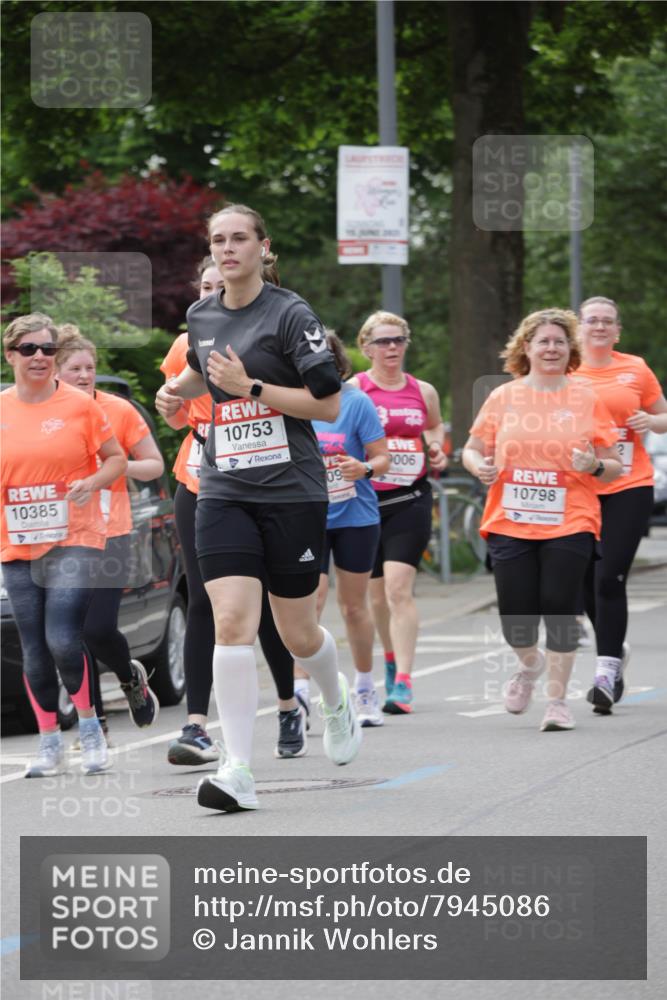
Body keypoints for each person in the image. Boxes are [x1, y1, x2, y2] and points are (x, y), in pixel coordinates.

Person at [155, 204, 361, 812]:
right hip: (224, 487)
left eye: (239, 238)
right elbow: (203, 371)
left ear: (263, 248)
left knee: (297, 633)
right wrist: (176, 392)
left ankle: (334, 696)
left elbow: (327, 405)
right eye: (218, 239)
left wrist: (251, 388)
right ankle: (237, 768)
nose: (227, 249)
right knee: (232, 622)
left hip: (292, 489)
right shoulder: (201, 315)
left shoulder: (291, 314)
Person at [159, 257, 304, 764]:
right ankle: (196, 726)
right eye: (204, 286)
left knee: (264, 602)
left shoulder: (273, 333)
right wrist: (169, 403)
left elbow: (307, 401)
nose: (211, 294)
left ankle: (287, 704)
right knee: (204, 599)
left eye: (220, 285)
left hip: (263, 479)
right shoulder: (186, 343)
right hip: (200, 478)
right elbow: (178, 413)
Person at [462, 308, 623, 732]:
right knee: (515, 618)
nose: (551, 348)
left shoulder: (586, 398)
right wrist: (479, 466)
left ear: (570, 349)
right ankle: (530, 664)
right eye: (543, 341)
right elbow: (472, 448)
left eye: (559, 341)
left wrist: (594, 464)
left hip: (571, 518)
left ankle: (557, 702)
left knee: (561, 607)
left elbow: (614, 466)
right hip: (510, 519)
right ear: (526, 348)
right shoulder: (504, 396)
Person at [1, 313, 126, 775]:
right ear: (10, 355)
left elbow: (116, 460)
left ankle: (91, 730)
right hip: (18, 543)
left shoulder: (80, 406)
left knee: (62, 638)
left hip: (75, 537)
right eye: (29, 349)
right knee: (34, 647)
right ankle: (49, 742)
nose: (39, 357)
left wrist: (91, 482)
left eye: (48, 349)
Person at [55, 326, 163, 735]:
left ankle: (130, 678)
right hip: (60, 536)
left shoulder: (118, 410)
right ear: (55, 372)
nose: (85, 375)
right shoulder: (43, 416)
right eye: (75, 368)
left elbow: (154, 464)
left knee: (97, 628)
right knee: (73, 634)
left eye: (90, 367)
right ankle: (94, 727)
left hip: (111, 531)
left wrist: (113, 467)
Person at [349, 311, 448, 715]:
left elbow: (435, 427)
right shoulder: (356, 388)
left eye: (398, 340)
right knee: (376, 597)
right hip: (366, 501)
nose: (392, 348)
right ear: (366, 347)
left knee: (397, 589)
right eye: (383, 341)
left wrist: (436, 447)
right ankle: (389, 661)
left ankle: (404, 680)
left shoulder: (423, 391)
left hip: (410, 499)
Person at [576, 296, 667, 713]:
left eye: (607, 321)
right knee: (583, 581)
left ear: (617, 331)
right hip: (579, 488)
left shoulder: (635, 368)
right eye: (592, 320)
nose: (599, 326)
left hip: (629, 484)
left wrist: (651, 421)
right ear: (579, 327)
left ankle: (606, 672)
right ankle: (614, 647)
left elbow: (664, 415)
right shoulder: (564, 370)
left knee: (609, 577)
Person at [295, 332, 389, 727]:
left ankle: (365, 687)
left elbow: (382, 458)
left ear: (337, 364)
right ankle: (299, 693)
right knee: (307, 604)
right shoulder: (290, 401)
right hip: (305, 517)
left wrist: (362, 467)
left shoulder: (356, 402)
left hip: (354, 516)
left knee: (353, 607)